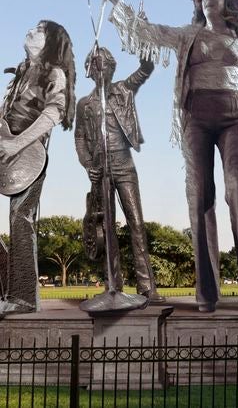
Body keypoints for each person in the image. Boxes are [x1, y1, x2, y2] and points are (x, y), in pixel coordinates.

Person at [97, 0, 238, 317]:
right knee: (200, 196)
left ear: (227, 3)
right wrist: (115, 0)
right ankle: (207, 293)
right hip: (196, 116)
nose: (206, 1)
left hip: (236, 116)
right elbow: (148, 32)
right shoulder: (188, 35)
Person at [74, 46, 164, 303]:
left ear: (112, 68)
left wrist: (145, 50)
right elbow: (79, 138)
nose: (102, 69)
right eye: (97, 65)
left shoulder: (124, 89)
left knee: (136, 224)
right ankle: (112, 284)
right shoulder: (85, 104)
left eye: (106, 65)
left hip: (124, 163)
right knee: (106, 229)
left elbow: (145, 70)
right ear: (91, 70)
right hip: (100, 169)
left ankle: (147, 287)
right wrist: (87, 163)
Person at [0, 20, 76, 314]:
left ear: (52, 42)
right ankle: (8, 286)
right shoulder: (21, 72)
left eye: (39, 30)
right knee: (18, 221)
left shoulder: (54, 73)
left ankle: (23, 298)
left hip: (28, 156)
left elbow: (53, 114)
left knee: (21, 220)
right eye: (30, 27)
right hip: (6, 149)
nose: (30, 30)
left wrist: (16, 144)